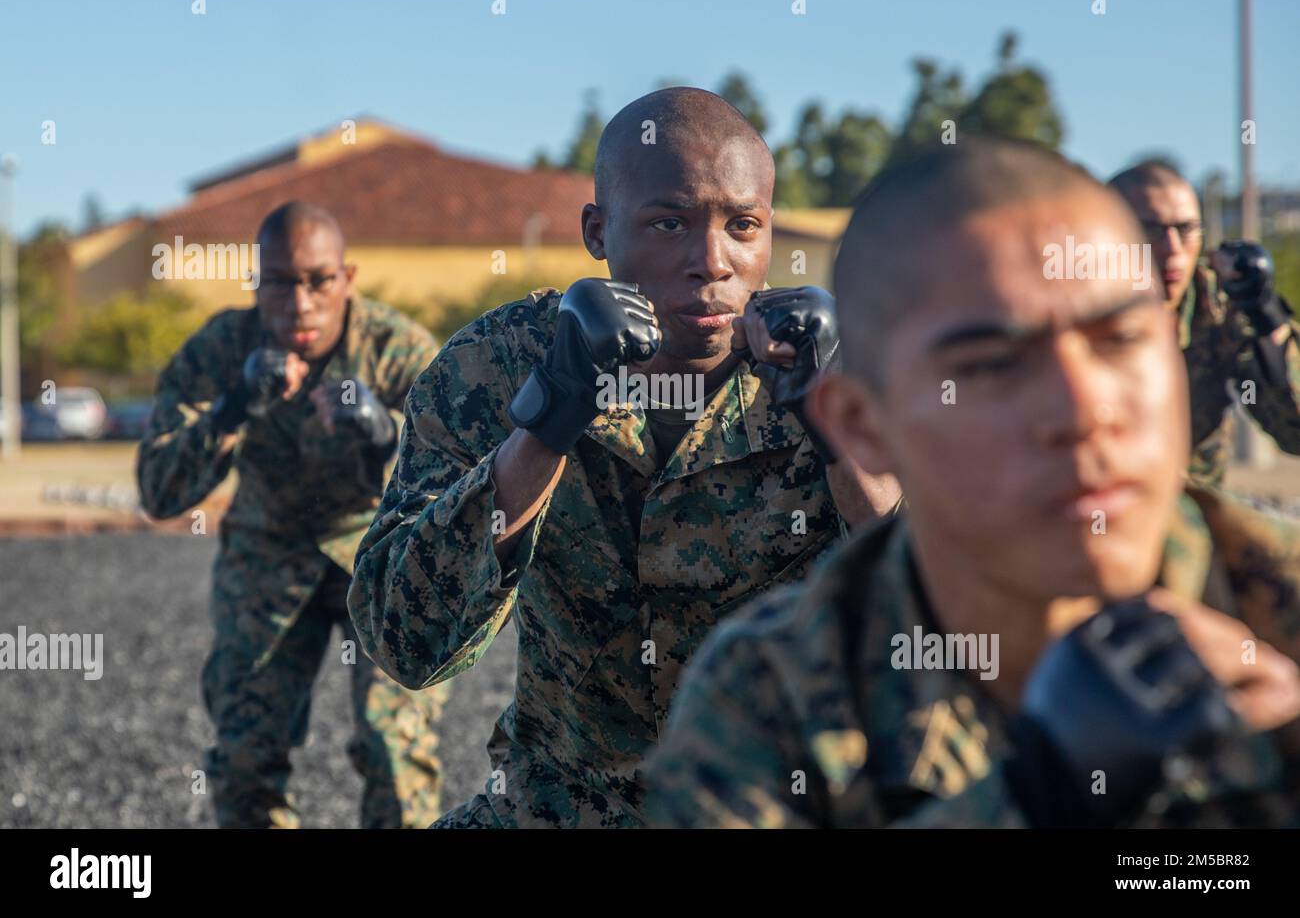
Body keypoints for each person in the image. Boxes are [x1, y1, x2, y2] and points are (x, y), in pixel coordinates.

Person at [643, 139, 1300, 828]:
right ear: (862, 426)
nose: (1084, 411)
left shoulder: (1278, 606)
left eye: (1120, 339)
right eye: (991, 366)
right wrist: (1037, 798)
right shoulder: (772, 696)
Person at [347, 87, 899, 828]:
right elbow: (403, 642)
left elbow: (948, 624)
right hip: (559, 806)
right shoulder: (500, 363)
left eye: (743, 226)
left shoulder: (842, 369)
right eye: (670, 222)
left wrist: (841, 437)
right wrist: (547, 421)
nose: (711, 262)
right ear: (598, 231)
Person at [138, 201, 447, 828]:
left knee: (396, 747)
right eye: (279, 281)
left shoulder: (397, 349)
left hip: (381, 553)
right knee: (246, 753)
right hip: (269, 551)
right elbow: (159, 489)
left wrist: (384, 430)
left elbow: (465, 477)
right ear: (256, 282)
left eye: (318, 280)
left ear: (348, 278)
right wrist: (231, 408)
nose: (299, 302)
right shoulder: (224, 349)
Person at [1109, 161, 1300, 485]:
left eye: (1185, 229)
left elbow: (1294, 435)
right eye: (1151, 230)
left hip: (1193, 511)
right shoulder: (1071, 314)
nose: (1172, 250)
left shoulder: (1218, 306)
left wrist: (1266, 319)